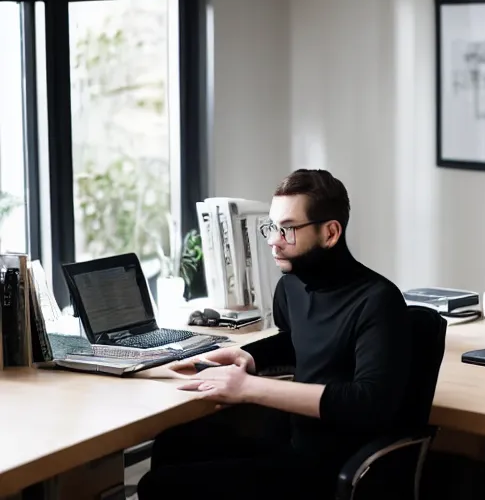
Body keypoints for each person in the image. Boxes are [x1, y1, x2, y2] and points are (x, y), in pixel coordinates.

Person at [136, 169, 412, 500]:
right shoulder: (291, 286)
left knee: (158, 487)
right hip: (291, 440)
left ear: (330, 233)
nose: (272, 240)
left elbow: (368, 403)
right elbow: (304, 343)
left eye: (287, 229)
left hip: (327, 465)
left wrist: (250, 388)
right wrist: (251, 357)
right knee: (173, 443)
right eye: (272, 227)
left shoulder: (378, 301)